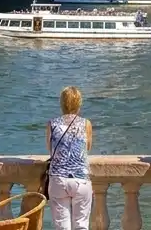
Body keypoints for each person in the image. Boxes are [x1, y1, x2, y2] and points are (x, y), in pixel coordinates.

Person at [47, 86, 92, 230]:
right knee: (81, 225)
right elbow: (87, 148)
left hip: (58, 179)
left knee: (62, 227)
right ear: (79, 103)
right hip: (81, 179)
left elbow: (51, 150)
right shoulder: (86, 124)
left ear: (61, 103)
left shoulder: (52, 124)